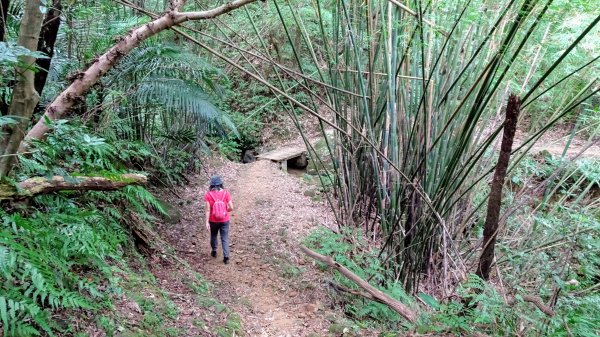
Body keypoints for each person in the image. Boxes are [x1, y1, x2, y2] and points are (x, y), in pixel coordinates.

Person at [204, 175, 233, 264]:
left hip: (213, 220)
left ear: (211, 185)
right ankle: (226, 257)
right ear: (221, 184)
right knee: (224, 238)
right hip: (224, 220)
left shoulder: (208, 195)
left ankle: (214, 251)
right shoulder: (226, 193)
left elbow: (208, 209)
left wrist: (207, 222)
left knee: (213, 235)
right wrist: (225, 211)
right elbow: (231, 207)